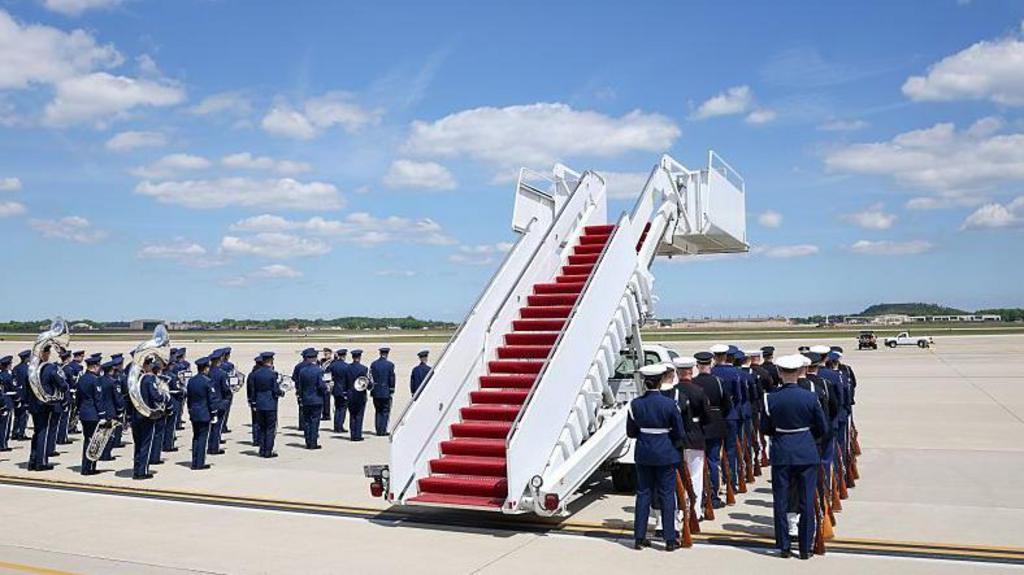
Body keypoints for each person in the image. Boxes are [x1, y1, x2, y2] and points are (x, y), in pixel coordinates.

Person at [761, 354, 828, 559]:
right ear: (800, 373)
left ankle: (784, 546)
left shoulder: (770, 398)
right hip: (806, 451)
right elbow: (822, 428)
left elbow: (765, 428)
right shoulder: (810, 396)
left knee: (781, 500)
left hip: (782, 451)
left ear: (780, 373)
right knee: (806, 501)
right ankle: (805, 547)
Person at [627, 363, 686, 551]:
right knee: (667, 495)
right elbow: (679, 432)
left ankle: (639, 536)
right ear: (660, 381)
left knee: (643, 494)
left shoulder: (635, 404)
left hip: (644, 452)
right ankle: (670, 538)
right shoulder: (669, 404)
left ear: (645, 382)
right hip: (665, 452)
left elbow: (631, 432)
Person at [674, 357, 710, 518]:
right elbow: (707, 417)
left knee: (681, 476)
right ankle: (694, 509)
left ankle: (682, 508)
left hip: (678, 440)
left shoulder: (673, 392)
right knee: (696, 476)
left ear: (677, 372)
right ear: (691, 371)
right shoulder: (699, 391)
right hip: (695, 436)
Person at [693, 351, 730, 508]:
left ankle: (701, 494)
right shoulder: (718, 382)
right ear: (710, 364)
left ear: (697, 365)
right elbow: (727, 404)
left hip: (698, 425)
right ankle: (713, 496)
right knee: (714, 461)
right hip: (715, 423)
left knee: (699, 462)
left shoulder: (693, 383)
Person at [27, 345, 67, 471]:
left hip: (34, 405)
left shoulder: (31, 369)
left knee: (37, 432)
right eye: (48, 352)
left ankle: (33, 460)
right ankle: (41, 462)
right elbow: (62, 385)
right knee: (43, 432)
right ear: (44, 353)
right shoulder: (49, 368)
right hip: (46, 405)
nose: (49, 354)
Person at [710, 344, 743, 494]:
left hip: (715, 417)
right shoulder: (734, 373)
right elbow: (739, 397)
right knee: (730, 451)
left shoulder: (711, 372)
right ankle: (732, 482)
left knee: (714, 453)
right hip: (730, 415)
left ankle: (716, 484)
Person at [130, 359, 164, 480]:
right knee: (145, 444)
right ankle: (142, 471)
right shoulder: (149, 379)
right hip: (145, 415)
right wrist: (163, 395)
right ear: (147, 365)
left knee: (138, 444)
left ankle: (136, 469)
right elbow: (155, 396)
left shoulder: (134, 379)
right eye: (150, 364)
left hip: (135, 416)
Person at [76, 356, 106, 475]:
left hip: (84, 413)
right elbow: (98, 399)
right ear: (95, 366)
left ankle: (86, 466)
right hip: (93, 414)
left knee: (87, 440)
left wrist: (78, 410)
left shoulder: (82, 378)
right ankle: (89, 467)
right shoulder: (95, 380)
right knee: (94, 442)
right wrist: (102, 415)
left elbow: (78, 398)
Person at [251, 352, 284, 457]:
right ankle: (268, 451)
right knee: (270, 429)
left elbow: (253, 390)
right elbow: (275, 390)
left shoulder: (256, 374)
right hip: (270, 404)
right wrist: (281, 392)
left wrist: (254, 402)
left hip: (259, 403)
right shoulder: (272, 374)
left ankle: (262, 449)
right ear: (270, 361)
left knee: (262, 428)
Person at [186, 357, 216, 470]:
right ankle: (200, 463)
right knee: (202, 438)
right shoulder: (207, 382)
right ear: (205, 368)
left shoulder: (191, 381)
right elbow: (211, 399)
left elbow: (189, 398)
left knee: (196, 437)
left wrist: (190, 410)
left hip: (194, 412)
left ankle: (195, 461)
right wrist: (213, 413)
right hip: (204, 413)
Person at [296, 348, 326, 449]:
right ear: (314, 358)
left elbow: (300, 387)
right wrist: (326, 390)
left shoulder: (302, 371)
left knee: (307, 421)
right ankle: (313, 442)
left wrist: (301, 397)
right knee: (314, 422)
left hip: (306, 399)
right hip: (316, 399)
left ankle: (308, 441)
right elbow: (321, 385)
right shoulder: (318, 370)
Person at [370, 347, 396, 436]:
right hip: (385, 391)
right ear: (387, 354)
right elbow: (391, 378)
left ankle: (378, 429)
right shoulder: (390, 365)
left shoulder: (374, 364)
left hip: (376, 391)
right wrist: (392, 389)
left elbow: (371, 377)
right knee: (385, 411)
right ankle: (383, 430)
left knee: (378, 411)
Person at [207, 350, 229, 455]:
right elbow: (226, 389)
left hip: (208, 403)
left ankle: (208, 445)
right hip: (219, 402)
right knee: (217, 426)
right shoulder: (221, 374)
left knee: (209, 426)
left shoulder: (207, 373)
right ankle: (214, 447)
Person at [97, 360, 119, 461]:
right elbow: (117, 398)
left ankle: (100, 453)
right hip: (111, 410)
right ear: (111, 370)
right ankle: (106, 455)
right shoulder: (112, 382)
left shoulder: (98, 380)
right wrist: (121, 409)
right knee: (110, 435)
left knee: (101, 434)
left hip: (100, 410)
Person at [346, 349, 368, 442]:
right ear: (359, 357)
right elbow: (366, 382)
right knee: (359, 415)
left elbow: (345, 382)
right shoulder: (364, 368)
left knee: (352, 415)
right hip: (360, 395)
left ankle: (352, 434)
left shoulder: (347, 368)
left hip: (350, 394)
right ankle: (357, 435)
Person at [11, 350, 31, 440]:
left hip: (16, 394)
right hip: (25, 395)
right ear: (26, 358)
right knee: (24, 415)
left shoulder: (16, 368)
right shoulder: (27, 369)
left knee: (17, 415)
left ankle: (15, 431)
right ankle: (21, 433)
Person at [246, 354, 266, 446]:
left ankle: (256, 439)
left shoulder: (251, 374)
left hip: (254, 400)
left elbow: (249, 389)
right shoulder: (265, 373)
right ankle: (261, 439)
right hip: (263, 401)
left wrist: (250, 400)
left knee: (255, 421)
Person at [328, 349, 350, 433]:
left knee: (337, 408)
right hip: (343, 390)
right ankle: (340, 426)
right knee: (342, 409)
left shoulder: (332, 365)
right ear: (344, 356)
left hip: (335, 389)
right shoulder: (346, 366)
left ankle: (336, 426)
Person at [217, 348, 236, 433]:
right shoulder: (229, 365)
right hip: (226, 389)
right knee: (226, 410)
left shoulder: (217, 366)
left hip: (217, 390)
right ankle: (223, 426)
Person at [0, 356, 14, 452]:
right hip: (6, 400)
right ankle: (3, 444)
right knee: (5, 425)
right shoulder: (8, 376)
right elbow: (13, 388)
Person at [319, 347, 333, 422]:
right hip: (323, 380)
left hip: (329, 381)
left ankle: (327, 414)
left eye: (327, 353)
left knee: (327, 399)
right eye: (325, 354)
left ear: (330, 354)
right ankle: (324, 413)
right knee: (323, 399)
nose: (325, 355)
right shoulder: (322, 361)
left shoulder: (332, 362)